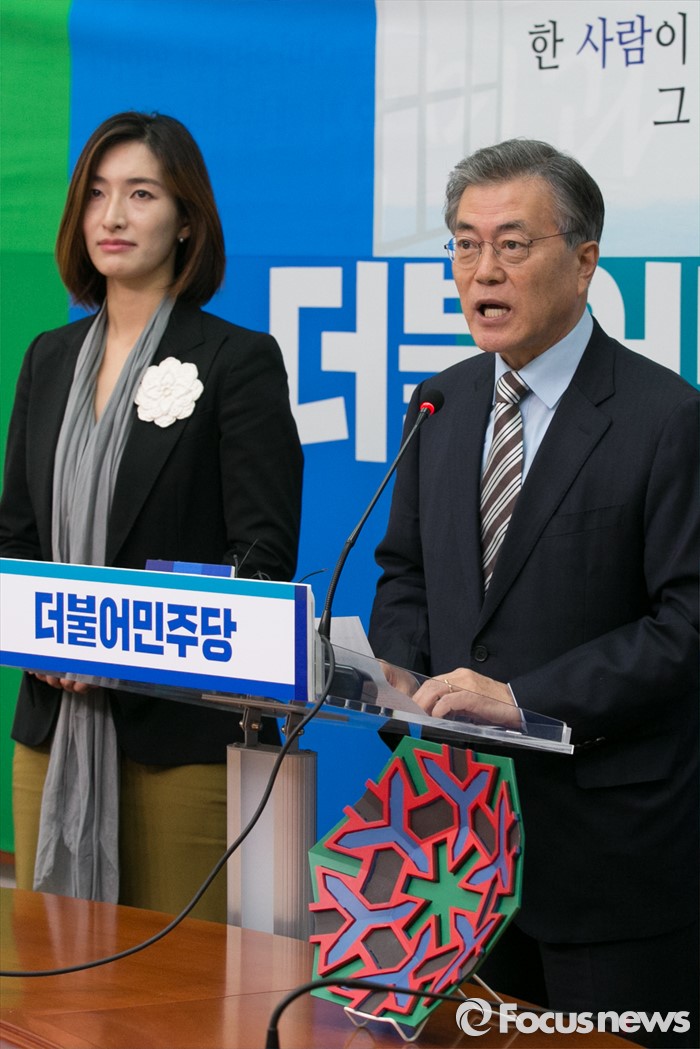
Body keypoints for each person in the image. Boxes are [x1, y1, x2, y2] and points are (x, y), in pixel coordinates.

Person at [369, 139, 698, 1046]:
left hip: (607, 857)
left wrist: (522, 699)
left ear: (585, 261)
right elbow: (405, 571)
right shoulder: (440, 402)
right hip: (455, 849)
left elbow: (685, 625)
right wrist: (400, 665)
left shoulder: (665, 418)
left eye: (513, 244)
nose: (483, 271)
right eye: (464, 244)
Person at [0, 111, 303, 922]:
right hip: (53, 725)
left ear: (186, 221)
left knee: (178, 982)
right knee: (50, 972)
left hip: (180, 739)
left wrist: (117, 646)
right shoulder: (48, 358)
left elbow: (262, 560)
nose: (113, 215)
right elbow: (16, 539)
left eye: (141, 194)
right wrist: (50, 643)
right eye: (97, 194)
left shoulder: (236, 361)